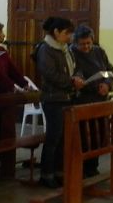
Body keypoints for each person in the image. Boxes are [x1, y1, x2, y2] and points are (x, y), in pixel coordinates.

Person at [35, 17, 83, 188]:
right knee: (54, 137)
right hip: (53, 99)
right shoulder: (45, 49)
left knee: (64, 138)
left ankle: (59, 172)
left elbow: (75, 67)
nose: (69, 37)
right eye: (66, 33)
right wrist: (71, 82)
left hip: (67, 97)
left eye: (70, 33)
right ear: (56, 32)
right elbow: (50, 74)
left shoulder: (64, 49)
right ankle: (46, 175)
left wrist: (78, 77)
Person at [71, 24, 113, 178]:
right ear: (76, 42)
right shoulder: (72, 53)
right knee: (85, 135)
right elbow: (73, 73)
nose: (86, 47)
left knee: (99, 133)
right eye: (82, 44)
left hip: (100, 98)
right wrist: (78, 80)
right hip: (83, 99)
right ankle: (82, 167)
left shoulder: (99, 51)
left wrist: (107, 84)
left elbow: (110, 71)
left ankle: (93, 166)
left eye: (89, 43)